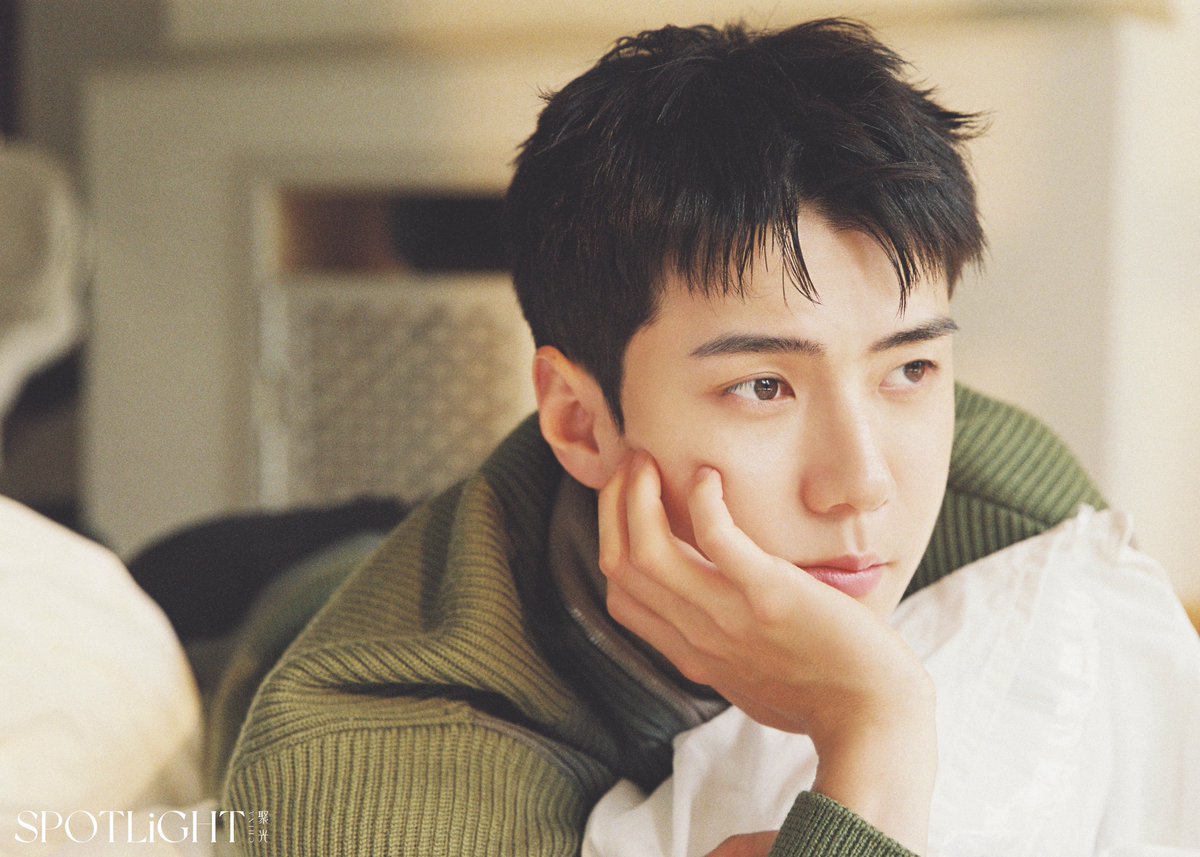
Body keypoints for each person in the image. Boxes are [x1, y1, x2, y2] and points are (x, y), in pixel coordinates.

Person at [222, 19, 1108, 856]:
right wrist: (876, 724)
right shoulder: (364, 760)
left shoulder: (1005, 504)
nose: (864, 483)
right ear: (579, 419)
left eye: (908, 367)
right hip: (284, 608)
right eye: (763, 386)